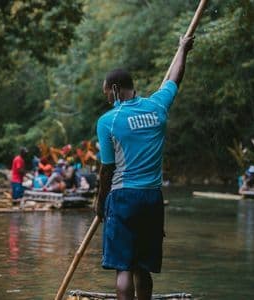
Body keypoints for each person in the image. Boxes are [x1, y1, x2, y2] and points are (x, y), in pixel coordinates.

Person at [95, 36, 194, 300]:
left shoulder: (108, 121)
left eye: (106, 92)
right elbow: (175, 79)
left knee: (123, 267)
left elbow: (107, 169)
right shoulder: (157, 106)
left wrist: (100, 202)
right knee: (143, 266)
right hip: (152, 198)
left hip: (123, 196)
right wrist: (183, 49)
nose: (106, 98)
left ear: (115, 88)